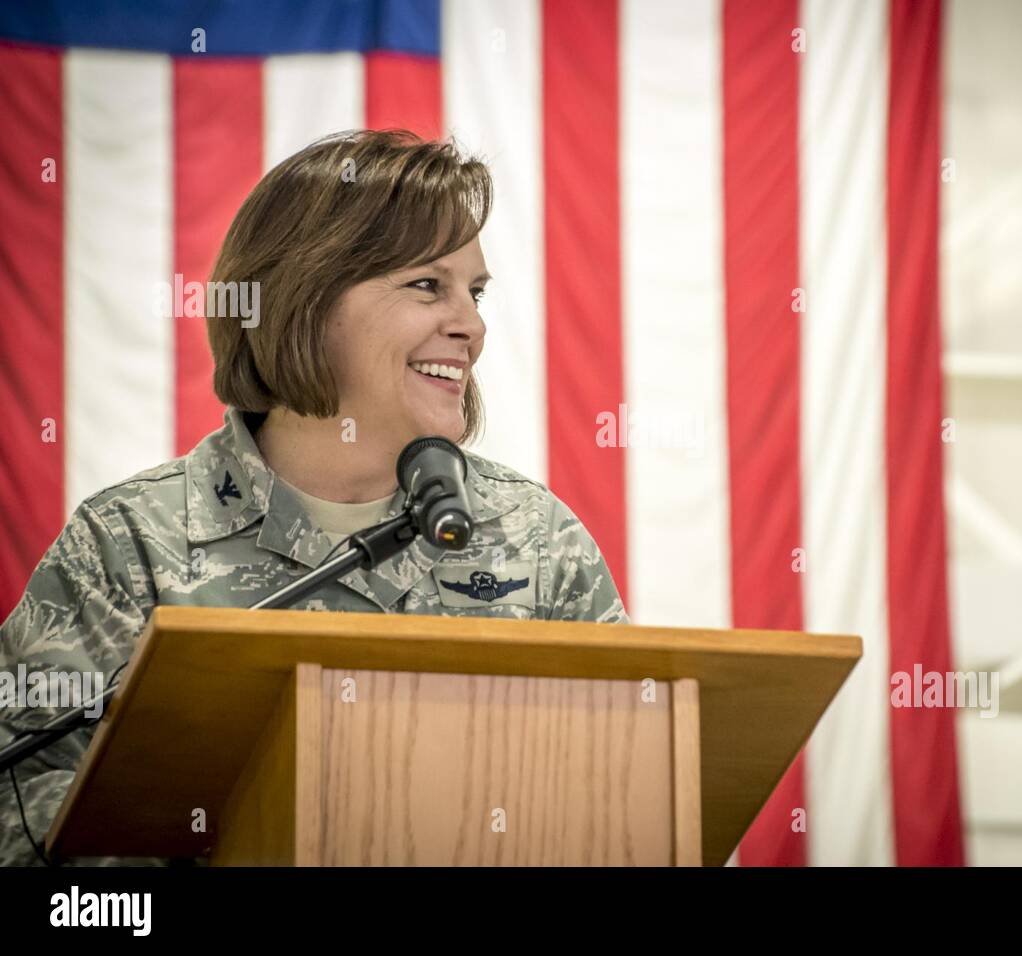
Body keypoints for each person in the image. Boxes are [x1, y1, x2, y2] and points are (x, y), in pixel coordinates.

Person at [0, 130, 628, 866]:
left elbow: (623, 783)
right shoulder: (130, 543)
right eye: (428, 285)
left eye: (475, 292)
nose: (473, 325)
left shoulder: (535, 537)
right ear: (305, 298)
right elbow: (20, 819)